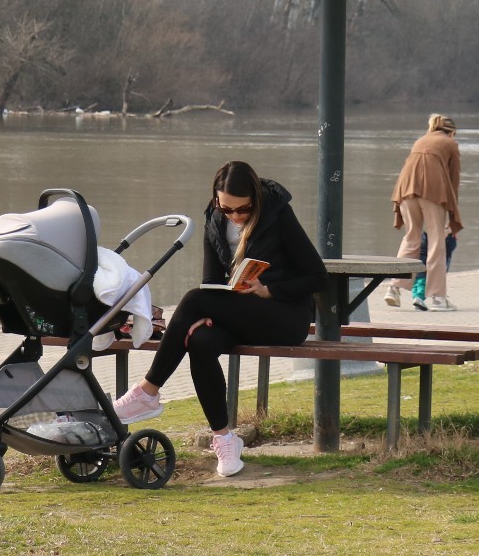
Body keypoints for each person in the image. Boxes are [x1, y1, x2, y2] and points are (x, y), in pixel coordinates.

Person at [112, 161, 327, 478]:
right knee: (200, 340)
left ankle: (147, 392)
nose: (235, 216)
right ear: (216, 201)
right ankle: (225, 439)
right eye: (227, 209)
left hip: (284, 316)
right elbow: (211, 281)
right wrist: (206, 315)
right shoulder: (214, 219)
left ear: (255, 199)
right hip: (240, 314)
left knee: (193, 300)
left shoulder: (277, 214)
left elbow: (317, 277)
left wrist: (269, 290)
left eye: (243, 209)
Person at [386, 114, 463, 311]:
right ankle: (438, 298)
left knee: (411, 238)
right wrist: (453, 212)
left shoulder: (420, 140)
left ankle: (393, 288)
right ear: (452, 132)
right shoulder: (450, 143)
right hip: (433, 192)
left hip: (405, 191)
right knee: (437, 241)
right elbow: (453, 179)